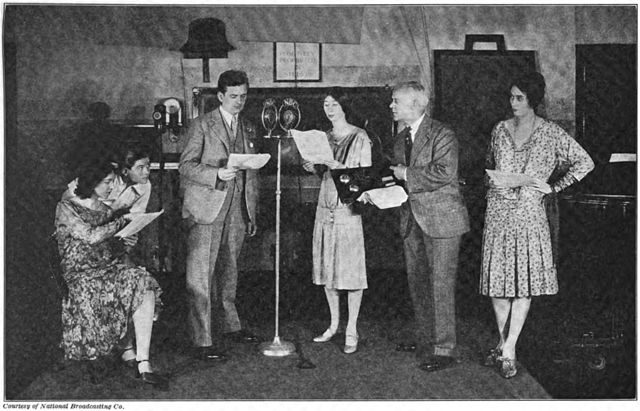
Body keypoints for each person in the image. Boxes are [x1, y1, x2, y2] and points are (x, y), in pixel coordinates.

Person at [480, 71, 594, 379]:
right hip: (499, 212)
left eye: (519, 97)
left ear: (533, 99)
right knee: (498, 281)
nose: (513, 102)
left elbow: (585, 161)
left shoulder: (551, 132)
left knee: (524, 283)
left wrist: (555, 187)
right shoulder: (499, 129)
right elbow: (489, 163)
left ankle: (509, 347)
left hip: (531, 214)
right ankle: (505, 345)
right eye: (511, 97)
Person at [54, 158, 168, 389]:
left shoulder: (105, 209)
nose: (110, 187)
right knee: (104, 288)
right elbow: (91, 236)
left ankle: (143, 361)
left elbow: (111, 246)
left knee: (142, 283)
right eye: (106, 182)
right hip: (81, 273)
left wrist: (127, 240)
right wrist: (122, 221)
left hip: (106, 268)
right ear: (92, 182)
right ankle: (115, 351)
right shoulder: (66, 207)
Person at [388, 81, 470, 372]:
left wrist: (405, 173)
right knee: (418, 282)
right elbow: (399, 179)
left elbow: (444, 173)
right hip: (412, 218)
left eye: (396, 101)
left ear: (416, 104)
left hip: (443, 220)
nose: (391, 106)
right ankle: (426, 338)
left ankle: (444, 349)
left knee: (441, 285)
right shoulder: (400, 139)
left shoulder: (442, 134)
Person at [179, 70, 260, 361]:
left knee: (230, 270)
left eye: (244, 96)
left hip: (237, 211)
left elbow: (252, 177)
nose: (240, 101)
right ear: (221, 96)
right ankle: (202, 340)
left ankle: (230, 325)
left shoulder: (248, 128)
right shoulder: (201, 125)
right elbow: (185, 166)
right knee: (200, 276)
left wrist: (251, 212)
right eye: (234, 96)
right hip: (206, 209)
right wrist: (217, 174)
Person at [302, 89, 372, 354]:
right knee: (328, 269)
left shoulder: (360, 137)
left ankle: (352, 328)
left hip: (348, 208)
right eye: (325, 104)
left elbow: (365, 176)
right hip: (325, 205)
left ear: (345, 106)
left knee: (351, 272)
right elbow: (321, 170)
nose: (329, 108)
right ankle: (334, 324)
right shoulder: (325, 137)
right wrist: (313, 166)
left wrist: (338, 166)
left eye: (334, 104)